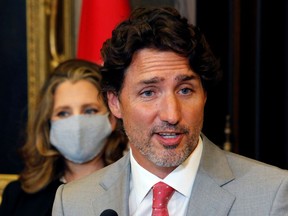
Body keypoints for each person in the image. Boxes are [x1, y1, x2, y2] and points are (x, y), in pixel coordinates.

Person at [52, 7, 288, 216]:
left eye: (185, 90)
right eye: (149, 93)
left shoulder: (271, 194)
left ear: (204, 95)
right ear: (115, 103)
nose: (171, 115)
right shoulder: (74, 203)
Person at [0, 59, 127, 216]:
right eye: (63, 113)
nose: (77, 124)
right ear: (49, 123)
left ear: (111, 118)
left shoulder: (134, 188)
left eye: (89, 111)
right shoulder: (18, 197)